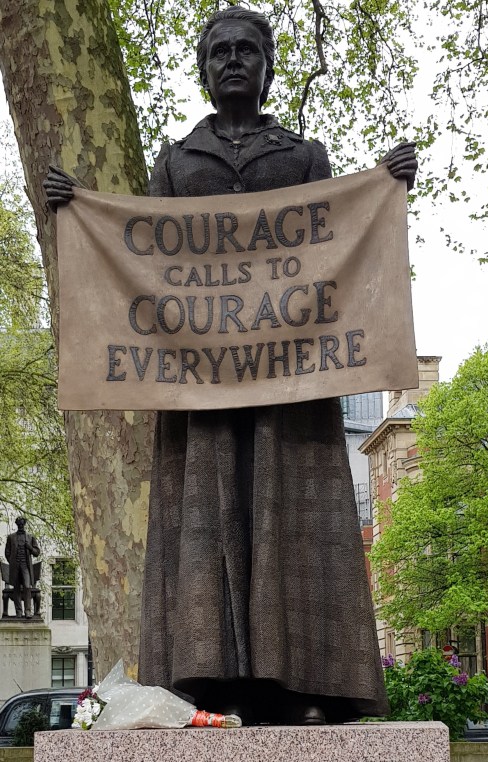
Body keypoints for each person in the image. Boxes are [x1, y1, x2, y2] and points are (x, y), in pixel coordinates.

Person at [44, 6, 417, 725]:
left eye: (248, 49)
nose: (234, 60)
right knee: (206, 520)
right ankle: (209, 682)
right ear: (205, 70)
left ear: (268, 67)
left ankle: (302, 685)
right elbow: (139, 257)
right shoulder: (176, 163)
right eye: (221, 52)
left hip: (291, 384)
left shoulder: (304, 157)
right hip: (201, 389)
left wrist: (385, 184)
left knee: (290, 518)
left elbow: (340, 241)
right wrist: (78, 209)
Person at [4, 516, 40, 619]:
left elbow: (37, 552)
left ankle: (28, 611)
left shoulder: (30, 537)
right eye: (19, 523)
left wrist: (30, 548)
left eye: (22, 523)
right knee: (16, 588)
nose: (20, 525)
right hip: (15, 566)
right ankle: (18, 611)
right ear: (17, 524)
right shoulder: (11, 537)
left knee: (27, 586)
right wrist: (12, 562)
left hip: (25, 566)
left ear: (24, 524)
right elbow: (7, 552)